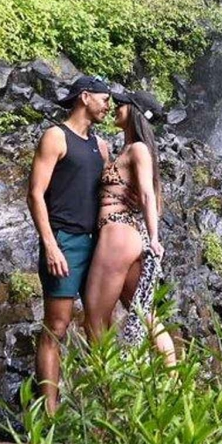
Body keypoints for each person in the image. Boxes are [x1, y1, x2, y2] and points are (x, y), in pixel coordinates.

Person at [26, 74, 111, 409]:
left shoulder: (100, 146)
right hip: (65, 241)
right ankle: (49, 412)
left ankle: (99, 410)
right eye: (104, 99)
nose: (108, 106)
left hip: (97, 244)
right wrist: (50, 244)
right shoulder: (56, 137)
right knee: (57, 326)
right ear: (85, 96)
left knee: (99, 326)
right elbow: (35, 193)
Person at [82, 87, 177, 365]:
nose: (115, 106)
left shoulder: (138, 149)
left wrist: (155, 239)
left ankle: (106, 385)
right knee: (144, 312)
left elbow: (148, 194)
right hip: (124, 234)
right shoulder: (125, 150)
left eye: (121, 103)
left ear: (133, 111)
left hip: (118, 233)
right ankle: (173, 379)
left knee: (95, 316)